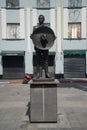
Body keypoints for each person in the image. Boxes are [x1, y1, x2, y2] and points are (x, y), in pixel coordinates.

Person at [31, 15, 50, 79]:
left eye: (42, 18)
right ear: (38, 19)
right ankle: (38, 74)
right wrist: (31, 37)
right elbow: (34, 36)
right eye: (39, 18)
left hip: (45, 46)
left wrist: (47, 38)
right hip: (38, 45)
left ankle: (47, 73)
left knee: (46, 60)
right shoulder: (35, 27)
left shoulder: (46, 27)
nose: (40, 19)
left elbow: (49, 36)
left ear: (44, 19)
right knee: (38, 60)